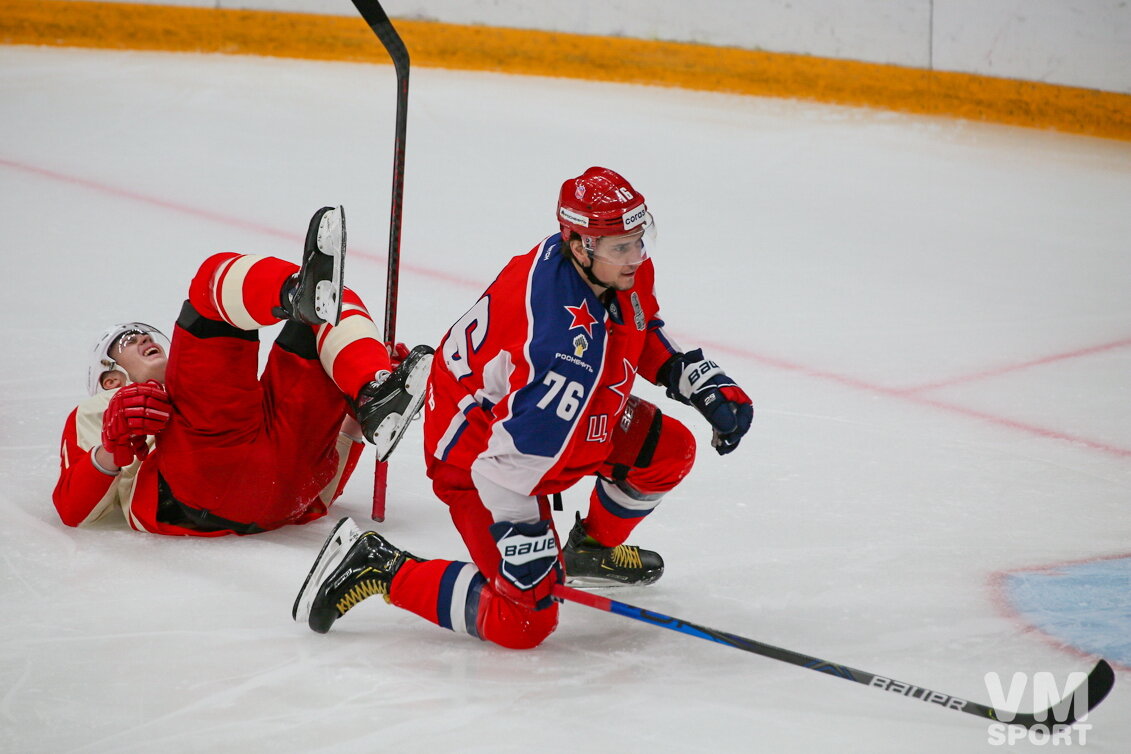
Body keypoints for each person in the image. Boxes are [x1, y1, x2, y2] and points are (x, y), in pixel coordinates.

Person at [293, 168, 753, 649]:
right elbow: (502, 470)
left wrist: (692, 378)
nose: (637, 256)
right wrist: (522, 536)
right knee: (524, 619)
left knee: (669, 449)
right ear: (580, 245)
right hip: (477, 456)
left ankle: (589, 551)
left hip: (564, 422)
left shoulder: (606, 266)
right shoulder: (557, 351)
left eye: (640, 239)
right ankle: (380, 565)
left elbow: (636, 322)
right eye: (623, 246)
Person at [52, 206, 433, 536]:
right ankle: (293, 293)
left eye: (145, 334)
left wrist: (353, 406)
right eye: (126, 341)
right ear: (111, 379)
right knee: (209, 291)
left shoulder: (202, 390)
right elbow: (71, 510)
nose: (142, 338)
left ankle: (372, 389)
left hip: (283, 486)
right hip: (195, 486)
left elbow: (322, 474)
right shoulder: (99, 409)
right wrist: (111, 448)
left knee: (328, 306)